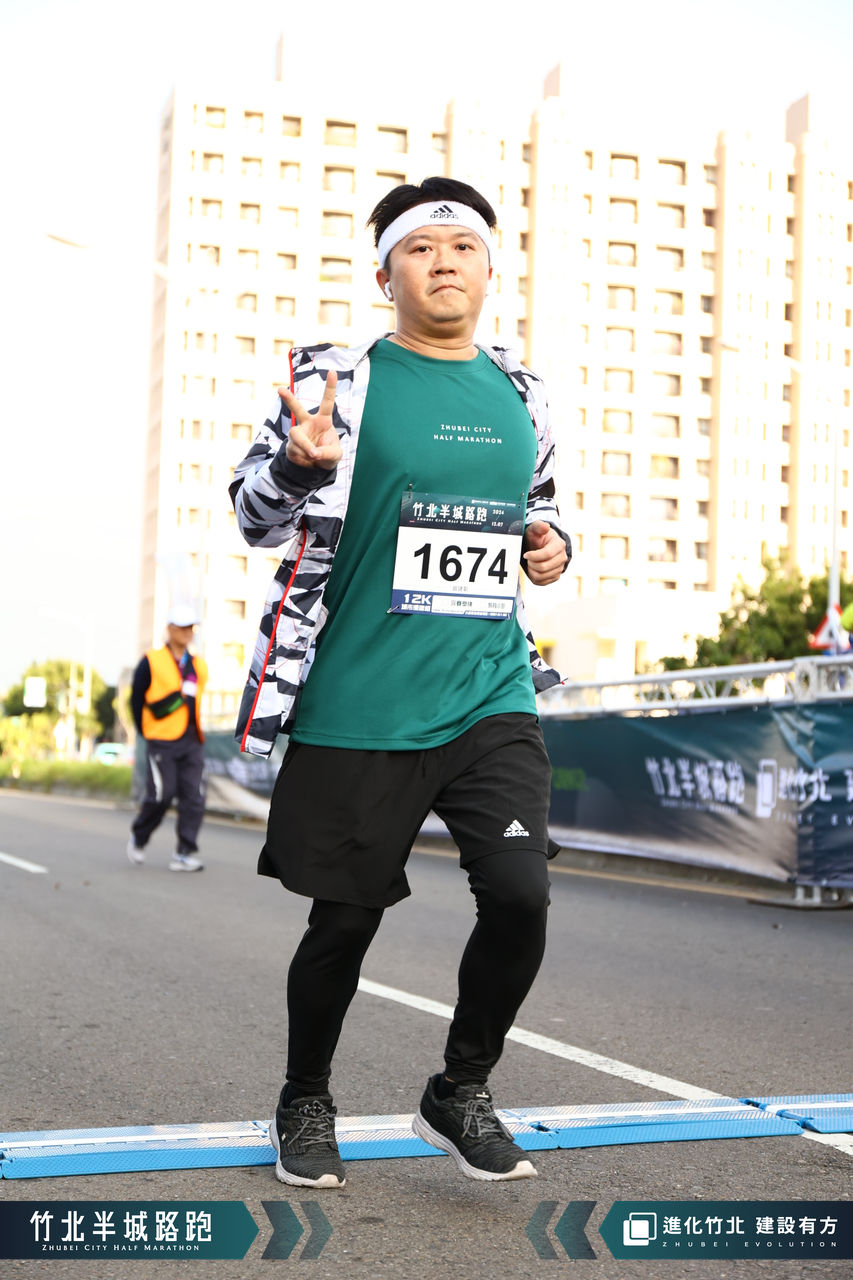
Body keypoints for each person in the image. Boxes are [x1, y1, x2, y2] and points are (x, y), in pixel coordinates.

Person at [229, 177, 571, 1188]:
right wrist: (297, 466)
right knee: (344, 918)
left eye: (462, 247)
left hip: (489, 689)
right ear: (387, 276)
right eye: (420, 249)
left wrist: (551, 544)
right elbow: (252, 517)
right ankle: (304, 1095)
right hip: (359, 696)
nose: (444, 262)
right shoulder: (334, 381)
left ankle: (459, 1088)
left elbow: (542, 506)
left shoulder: (523, 394)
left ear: (490, 269)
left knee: (520, 893)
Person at [126, 605, 208, 872]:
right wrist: (144, 730)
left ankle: (184, 852)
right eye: (182, 627)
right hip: (161, 740)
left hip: (191, 739)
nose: (187, 632)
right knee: (162, 795)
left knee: (194, 796)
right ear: (170, 629)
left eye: (190, 628)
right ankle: (139, 836)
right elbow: (136, 698)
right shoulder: (151, 661)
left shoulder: (198, 665)